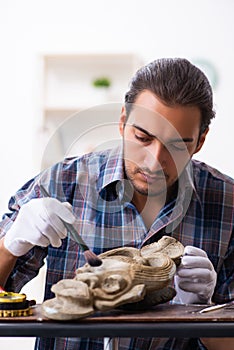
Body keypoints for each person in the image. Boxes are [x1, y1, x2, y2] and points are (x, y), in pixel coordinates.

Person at [0, 58, 233, 350]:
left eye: (177, 145)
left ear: (199, 142)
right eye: (143, 137)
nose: (154, 162)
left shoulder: (228, 203)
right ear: (123, 121)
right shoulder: (64, 181)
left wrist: (202, 313)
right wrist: (11, 244)